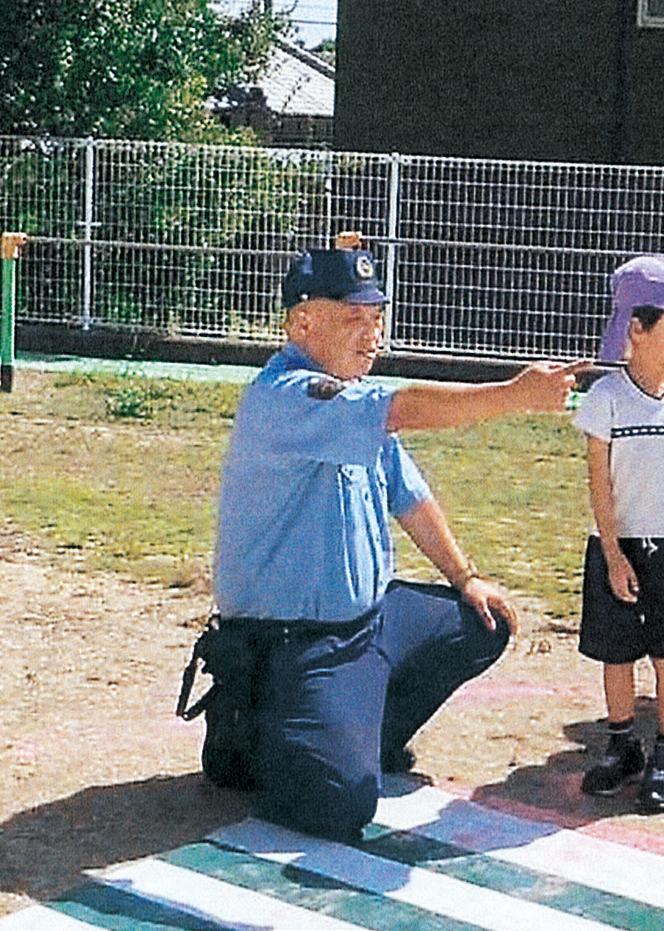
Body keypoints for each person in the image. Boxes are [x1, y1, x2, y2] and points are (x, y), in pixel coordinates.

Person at [201, 246, 584, 843]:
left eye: (377, 317)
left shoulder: (350, 398)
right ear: (302, 324)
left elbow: (408, 497)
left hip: (365, 622)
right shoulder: (286, 397)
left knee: (482, 621)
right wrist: (516, 395)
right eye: (355, 318)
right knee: (340, 808)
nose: (372, 333)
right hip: (293, 641)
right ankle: (252, 734)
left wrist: (465, 576)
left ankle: (352, 734)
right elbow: (406, 408)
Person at [573, 255, 664, 812]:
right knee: (617, 653)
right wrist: (612, 554)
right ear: (636, 327)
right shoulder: (605, 399)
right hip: (618, 545)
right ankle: (621, 747)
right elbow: (600, 486)